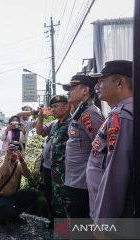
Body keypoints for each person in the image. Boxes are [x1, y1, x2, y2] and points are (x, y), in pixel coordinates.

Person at [86, 60, 133, 223]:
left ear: (120, 82)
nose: (97, 86)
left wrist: (103, 222)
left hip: (115, 219)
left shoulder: (122, 116)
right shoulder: (119, 113)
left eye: (101, 80)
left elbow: (116, 173)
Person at [62, 74, 104, 219]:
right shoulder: (80, 112)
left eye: (72, 88)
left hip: (83, 183)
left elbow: (101, 148)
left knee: (81, 221)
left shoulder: (89, 114)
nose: (68, 92)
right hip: (75, 180)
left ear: (85, 90)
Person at [36, 95, 71, 222]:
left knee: (63, 204)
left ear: (66, 107)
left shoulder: (72, 123)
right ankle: (53, 222)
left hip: (63, 171)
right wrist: (40, 117)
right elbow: (40, 132)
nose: (53, 110)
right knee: (50, 197)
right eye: (51, 107)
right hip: (48, 168)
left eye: (56, 106)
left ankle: (63, 232)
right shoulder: (54, 123)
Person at [0, 143, 37, 224]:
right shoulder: (0, 160)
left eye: (16, 149)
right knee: (9, 213)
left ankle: (15, 215)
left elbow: (27, 175)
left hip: (12, 195)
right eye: (11, 149)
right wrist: (8, 156)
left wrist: (22, 160)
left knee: (33, 193)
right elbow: (3, 172)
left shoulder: (19, 163)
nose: (13, 152)